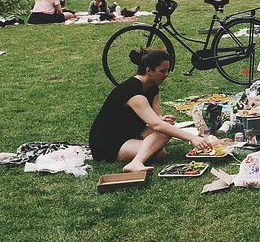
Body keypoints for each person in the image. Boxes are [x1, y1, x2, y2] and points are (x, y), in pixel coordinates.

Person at [89, 48, 219, 172]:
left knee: (163, 142)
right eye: (162, 71)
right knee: (159, 150)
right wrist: (191, 138)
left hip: (130, 133)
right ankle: (135, 163)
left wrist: (162, 119)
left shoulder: (153, 88)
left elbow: (158, 119)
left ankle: (139, 154)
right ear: (149, 70)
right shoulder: (133, 92)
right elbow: (156, 125)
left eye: (167, 70)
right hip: (107, 143)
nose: (166, 74)